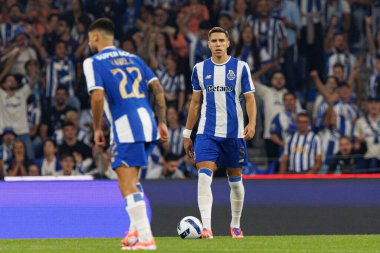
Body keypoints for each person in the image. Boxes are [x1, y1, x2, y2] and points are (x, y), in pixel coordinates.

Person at [83, 18, 168, 250]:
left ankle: (147, 238)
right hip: (148, 122)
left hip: (125, 125)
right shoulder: (135, 58)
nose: (89, 42)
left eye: (90, 38)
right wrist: (162, 122)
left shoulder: (93, 62)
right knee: (134, 179)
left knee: (125, 182)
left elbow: (98, 96)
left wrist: (98, 128)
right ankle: (133, 232)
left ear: (97, 37)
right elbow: (158, 89)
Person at [183, 27, 256, 239]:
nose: (217, 44)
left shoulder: (240, 68)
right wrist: (188, 133)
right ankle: (206, 227)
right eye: (213, 40)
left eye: (221, 40)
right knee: (204, 176)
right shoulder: (199, 69)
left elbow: (250, 98)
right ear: (208, 44)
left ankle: (235, 225)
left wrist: (251, 124)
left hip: (234, 135)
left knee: (235, 182)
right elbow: (195, 103)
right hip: (207, 133)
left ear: (228, 43)